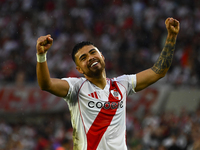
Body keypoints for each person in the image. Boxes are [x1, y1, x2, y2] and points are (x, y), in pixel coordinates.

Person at [36, 17, 180, 150]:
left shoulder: (123, 83)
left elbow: (158, 71)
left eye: (93, 52)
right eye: (84, 58)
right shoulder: (75, 87)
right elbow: (46, 84)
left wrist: (171, 37)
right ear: (79, 69)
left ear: (102, 56)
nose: (91, 57)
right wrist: (41, 56)